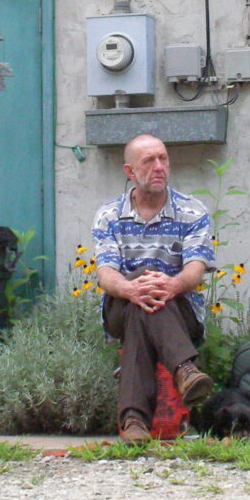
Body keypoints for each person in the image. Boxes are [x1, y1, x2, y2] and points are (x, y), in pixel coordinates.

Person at [91, 133, 216, 443]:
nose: (159, 167)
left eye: (163, 159)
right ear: (130, 171)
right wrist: (132, 288)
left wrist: (172, 285)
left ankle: (133, 420)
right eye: (149, 161)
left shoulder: (192, 211)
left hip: (180, 313)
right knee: (142, 285)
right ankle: (185, 368)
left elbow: (196, 271)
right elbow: (105, 274)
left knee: (143, 308)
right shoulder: (109, 215)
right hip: (120, 305)